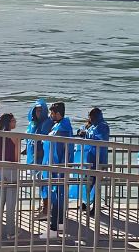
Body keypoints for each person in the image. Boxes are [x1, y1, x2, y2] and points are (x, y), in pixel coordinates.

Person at [40, 102, 74, 239]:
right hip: (59, 167)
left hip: (57, 168)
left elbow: (58, 150)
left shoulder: (62, 129)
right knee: (59, 198)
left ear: (58, 114)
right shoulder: (62, 126)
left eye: (52, 113)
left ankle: (53, 230)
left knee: (55, 198)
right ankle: (59, 224)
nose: (50, 116)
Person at [23, 99, 55, 221]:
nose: (38, 113)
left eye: (40, 110)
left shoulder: (47, 123)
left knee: (45, 184)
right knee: (41, 185)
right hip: (34, 158)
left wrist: (41, 152)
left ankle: (46, 209)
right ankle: (44, 206)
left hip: (43, 158)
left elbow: (47, 142)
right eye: (36, 110)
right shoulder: (33, 123)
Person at [75, 107, 110, 216]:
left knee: (96, 182)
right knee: (87, 181)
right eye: (90, 117)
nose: (91, 119)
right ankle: (86, 202)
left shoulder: (103, 126)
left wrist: (86, 133)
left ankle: (95, 206)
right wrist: (81, 132)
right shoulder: (90, 126)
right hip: (89, 157)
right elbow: (82, 131)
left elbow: (99, 138)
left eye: (92, 117)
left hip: (99, 158)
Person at [0, 113, 19, 239]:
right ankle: (11, 232)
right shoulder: (14, 137)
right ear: (9, 123)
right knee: (11, 203)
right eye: (14, 120)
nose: (16, 122)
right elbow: (17, 158)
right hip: (11, 169)